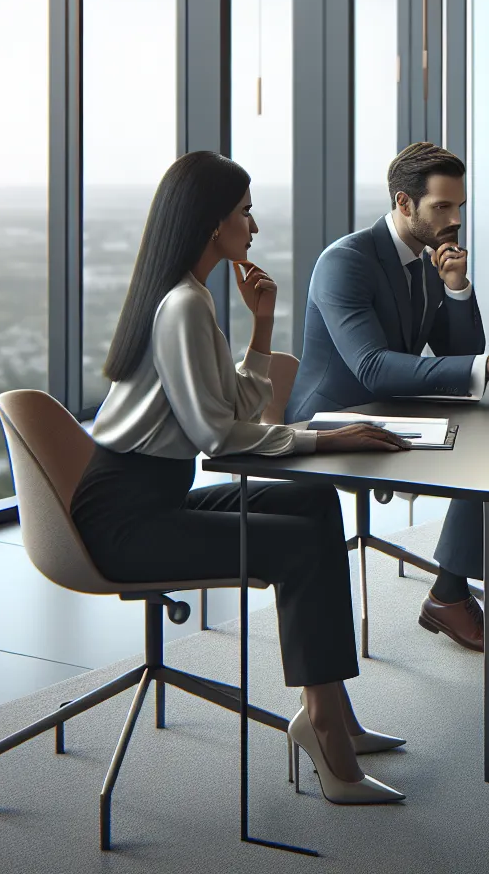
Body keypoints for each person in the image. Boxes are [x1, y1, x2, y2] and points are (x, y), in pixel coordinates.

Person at [72, 150, 411, 805]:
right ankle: (324, 735)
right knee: (299, 547)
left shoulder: (193, 298)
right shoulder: (181, 307)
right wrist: (325, 436)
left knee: (312, 502)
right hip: (124, 521)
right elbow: (216, 436)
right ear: (211, 224)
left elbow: (238, 408)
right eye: (244, 213)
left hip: (151, 498)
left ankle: (335, 712)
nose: (253, 228)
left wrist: (260, 324)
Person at [287, 141, 489, 653]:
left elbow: (461, 350)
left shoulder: (428, 259)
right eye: (442, 207)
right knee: (485, 454)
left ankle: (452, 588)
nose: (454, 219)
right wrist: (486, 367)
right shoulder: (345, 262)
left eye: (459, 206)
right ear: (404, 203)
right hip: (333, 421)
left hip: (395, 408)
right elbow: (371, 367)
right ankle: (451, 595)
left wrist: (456, 287)